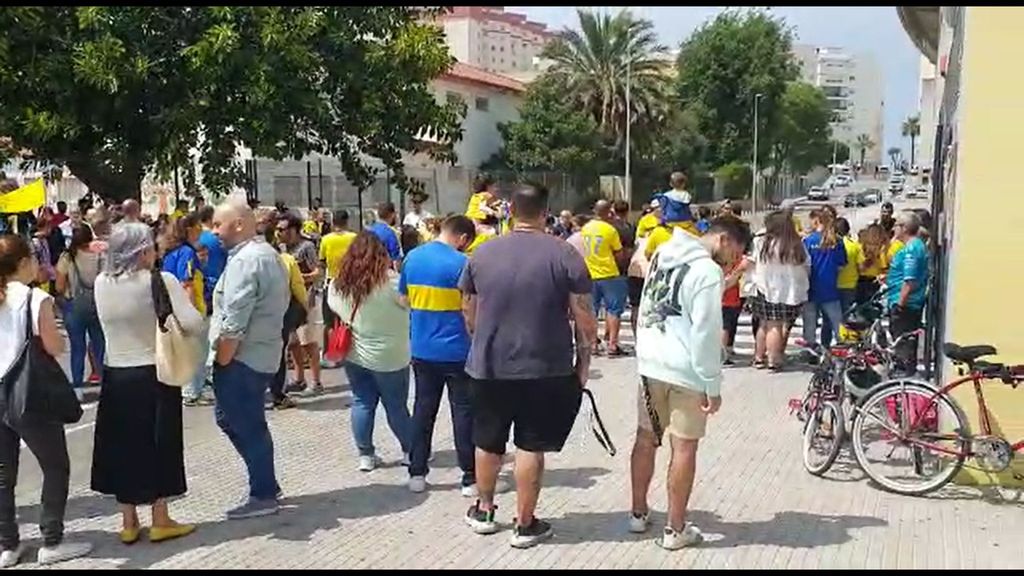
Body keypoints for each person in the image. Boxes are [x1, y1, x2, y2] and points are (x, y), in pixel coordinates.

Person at [459, 183, 597, 549]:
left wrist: (481, 339)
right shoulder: (564, 254)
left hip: (488, 365)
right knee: (529, 445)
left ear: (511, 211)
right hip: (545, 367)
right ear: (544, 211)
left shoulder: (482, 254)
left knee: (487, 442)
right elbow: (584, 317)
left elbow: (468, 309)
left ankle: (485, 510)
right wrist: (583, 362)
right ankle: (524, 523)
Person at [630, 216, 750, 550]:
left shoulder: (663, 253)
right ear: (724, 240)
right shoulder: (707, 271)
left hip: (651, 362)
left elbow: (648, 304)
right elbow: (706, 331)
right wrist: (712, 383)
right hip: (686, 371)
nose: (734, 260)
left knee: (645, 439)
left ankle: (638, 512)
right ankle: (675, 528)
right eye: (735, 252)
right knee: (684, 446)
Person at [91, 222, 201, 545]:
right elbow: (192, 323)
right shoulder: (161, 280)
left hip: (116, 373)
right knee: (160, 444)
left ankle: (128, 520)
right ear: (142, 251)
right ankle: (161, 518)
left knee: (123, 445)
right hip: (155, 371)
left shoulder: (101, 283)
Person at [0, 235, 92, 566]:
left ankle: (7, 545)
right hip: (28, 395)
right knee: (55, 465)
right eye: (35, 259)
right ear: (23, 264)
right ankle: (51, 540)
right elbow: (55, 347)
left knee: (2, 473)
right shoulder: (36, 298)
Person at [210, 199, 290, 519]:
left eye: (218, 224)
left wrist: (223, 359)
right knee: (233, 419)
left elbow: (235, 320)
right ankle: (265, 481)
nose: (213, 231)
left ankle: (263, 493)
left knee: (247, 423)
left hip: (244, 358)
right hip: (260, 353)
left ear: (240, 224)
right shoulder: (265, 255)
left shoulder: (248, 261)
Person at [399, 215, 477, 494]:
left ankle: (417, 473)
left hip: (422, 348)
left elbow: (403, 300)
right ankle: (470, 477)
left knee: (423, 410)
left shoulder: (412, 258)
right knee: (464, 413)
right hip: (457, 350)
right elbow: (470, 308)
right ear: (464, 238)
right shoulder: (463, 263)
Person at [327, 233, 412, 472]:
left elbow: (335, 307)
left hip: (354, 353)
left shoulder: (338, 285)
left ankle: (366, 454)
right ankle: (409, 450)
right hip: (390, 356)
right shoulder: (392, 283)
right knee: (396, 406)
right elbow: (409, 303)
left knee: (362, 402)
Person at [160, 212, 211, 406]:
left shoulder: (170, 252)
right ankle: (192, 390)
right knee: (197, 350)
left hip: (172, 307)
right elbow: (187, 282)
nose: (200, 231)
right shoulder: (187, 253)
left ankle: (189, 388)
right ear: (189, 229)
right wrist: (191, 312)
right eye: (198, 227)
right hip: (189, 306)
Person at [749, 211, 810, 371]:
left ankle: (759, 357)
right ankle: (774, 359)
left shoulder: (761, 242)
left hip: (765, 287)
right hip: (790, 290)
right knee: (779, 326)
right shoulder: (795, 244)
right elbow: (806, 265)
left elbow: (752, 262)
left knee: (765, 324)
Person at [54, 225, 105, 400]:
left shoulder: (67, 257)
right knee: (99, 345)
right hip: (97, 305)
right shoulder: (99, 256)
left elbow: (59, 286)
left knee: (77, 347)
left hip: (74, 306)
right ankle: (105, 383)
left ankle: (77, 387)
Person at [277, 213, 324, 396]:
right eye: (278, 229)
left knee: (307, 341)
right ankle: (299, 379)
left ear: (294, 230)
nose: (279, 233)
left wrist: (297, 277)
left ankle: (317, 382)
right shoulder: (281, 248)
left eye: (283, 229)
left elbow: (318, 272)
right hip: (288, 301)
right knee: (293, 341)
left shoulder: (307, 247)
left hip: (307, 298)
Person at [581, 200, 627, 356]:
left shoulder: (586, 228)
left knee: (592, 310)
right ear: (609, 212)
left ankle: (593, 343)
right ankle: (612, 344)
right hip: (609, 273)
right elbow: (619, 253)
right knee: (613, 310)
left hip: (591, 273)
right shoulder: (610, 230)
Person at [887, 211, 930, 376]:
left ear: (904, 228)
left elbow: (910, 281)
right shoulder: (915, 246)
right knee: (905, 347)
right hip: (908, 303)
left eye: (896, 225)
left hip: (906, 306)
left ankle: (903, 381)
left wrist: (900, 304)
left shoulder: (912, 248)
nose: (893, 228)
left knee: (903, 349)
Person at [801, 209, 847, 352]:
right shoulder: (837, 241)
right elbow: (841, 266)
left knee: (810, 323)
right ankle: (844, 348)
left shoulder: (808, 241)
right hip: (830, 288)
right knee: (838, 323)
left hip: (811, 288)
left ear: (816, 221)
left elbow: (803, 265)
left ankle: (810, 350)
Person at [318, 209, 357, 369]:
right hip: (350, 283)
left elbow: (322, 263)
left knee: (329, 322)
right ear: (347, 221)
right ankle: (348, 352)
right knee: (348, 319)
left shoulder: (326, 239)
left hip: (331, 283)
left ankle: (329, 354)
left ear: (333, 222)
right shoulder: (354, 238)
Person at [821, 217, 862, 346]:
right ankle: (844, 345)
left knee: (827, 320)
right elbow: (860, 266)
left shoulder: (828, 243)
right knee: (846, 319)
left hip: (832, 285)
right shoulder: (854, 245)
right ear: (847, 230)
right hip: (849, 285)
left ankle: (825, 345)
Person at [719, 216, 753, 365]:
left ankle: (724, 350)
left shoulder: (718, 254)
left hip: (722, 294)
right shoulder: (739, 257)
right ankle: (722, 354)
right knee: (726, 326)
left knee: (723, 325)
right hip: (731, 295)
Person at [645, 173, 702, 260]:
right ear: (684, 184)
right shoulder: (695, 234)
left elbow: (648, 255)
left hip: (669, 226)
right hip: (687, 226)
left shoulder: (657, 233)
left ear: (671, 184)